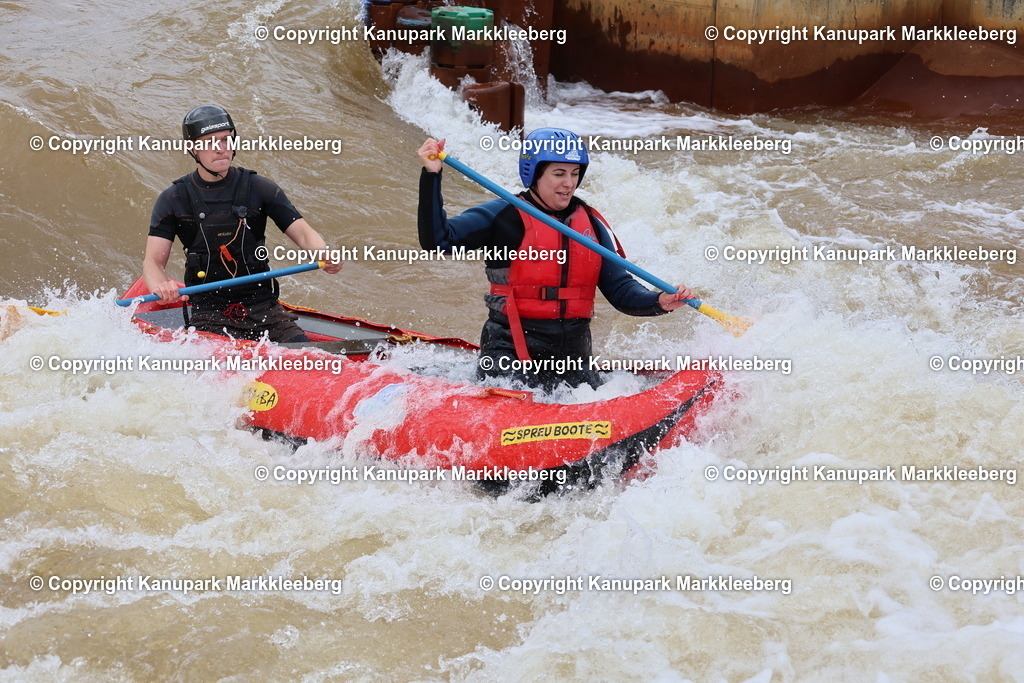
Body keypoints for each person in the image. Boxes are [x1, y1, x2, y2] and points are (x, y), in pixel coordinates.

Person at [416, 128, 694, 390]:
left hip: (573, 355)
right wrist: (432, 176)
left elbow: (621, 291)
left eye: (574, 173)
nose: (568, 183)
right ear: (534, 175)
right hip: (511, 351)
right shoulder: (504, 216)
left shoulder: (591, 225)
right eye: (559, 173)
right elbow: (438, 240)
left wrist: (659, 301)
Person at [142, 104, 341, 342]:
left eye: (226, 140)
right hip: (208, 314)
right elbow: (153, 261)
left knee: (307, 362)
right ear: (192, 148)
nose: (221, 149)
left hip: (264, 309)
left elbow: (304, 233)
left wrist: (323, 253)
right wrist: (160, 286)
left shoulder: (260, 188)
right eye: (210, 142)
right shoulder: (173, 199)